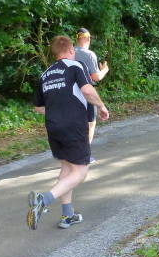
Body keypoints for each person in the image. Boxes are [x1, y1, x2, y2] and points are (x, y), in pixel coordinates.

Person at [27, 35, 109, 230]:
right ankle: (43, 201)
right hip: (73, 125)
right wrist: (101, 106)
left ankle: (67, 215)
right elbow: (87, 91)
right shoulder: (75, 66)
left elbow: (38, 107)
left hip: (53, 126)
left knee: (67, 168)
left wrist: (57, 112)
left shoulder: (45, 75)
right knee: (80, 173)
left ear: (54, 53)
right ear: (71, 50)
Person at [74, 28, 109, 162]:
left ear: (77, 39)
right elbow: (96, 77)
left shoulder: (69, 52)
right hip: (85, 92)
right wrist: (104, 70)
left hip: (69, 92)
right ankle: (83, 155)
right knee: (90, 123)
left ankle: (71, 153)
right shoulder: (89, 54)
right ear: (88, 38)